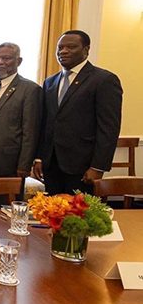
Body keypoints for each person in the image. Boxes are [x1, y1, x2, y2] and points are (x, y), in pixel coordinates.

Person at [33, 30, 122, 195]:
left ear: (86, 50)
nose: (63, 51)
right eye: (60, 47)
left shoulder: (104, 80)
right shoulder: (50, 82)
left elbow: (108, 128)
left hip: (82, 167)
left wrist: (98, 167)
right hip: (51, 165)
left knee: (79, 217)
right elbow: (45, 122)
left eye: (71, 47)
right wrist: (39, 158)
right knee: (51, 214)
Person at [0, 43, 42, 207]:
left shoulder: (29, 89)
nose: (0, 62)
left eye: (6, 58)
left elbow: (30, 131)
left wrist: (24, 165)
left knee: (4, 210)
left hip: (9, 163)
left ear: (19, 61)